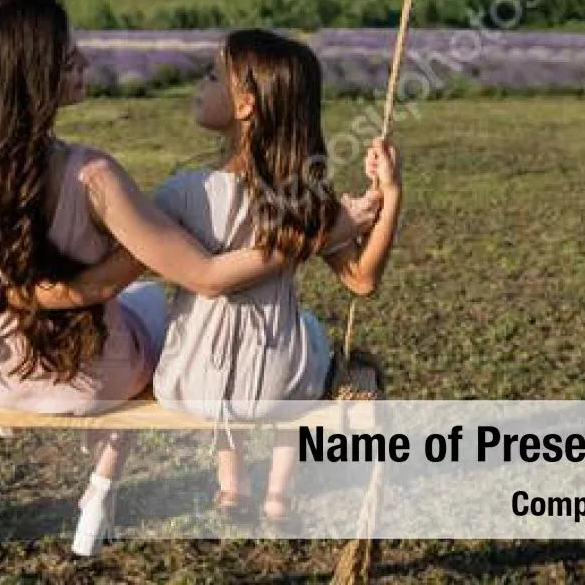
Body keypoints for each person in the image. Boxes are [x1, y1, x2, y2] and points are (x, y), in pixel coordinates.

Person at [0, 0, 377, 554]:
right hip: (87, 380)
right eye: (67, 58)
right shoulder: (94, 177)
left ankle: (103, 494)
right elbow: (204, 276)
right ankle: (102, 487)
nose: (84, 62)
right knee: (156, 317)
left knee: (130, 310)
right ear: (32, 79)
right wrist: (309, 235)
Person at [149, 30, 403, 526]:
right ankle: (278, 496)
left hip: (188, 382)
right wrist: (390, 195)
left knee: (218, 345)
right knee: (305, 333)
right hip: (279, 384)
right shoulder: (307, 202)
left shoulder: (182, 193)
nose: (199, 84)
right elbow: (362, 280)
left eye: (211, 76)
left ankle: (231, 487)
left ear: (246, 105)